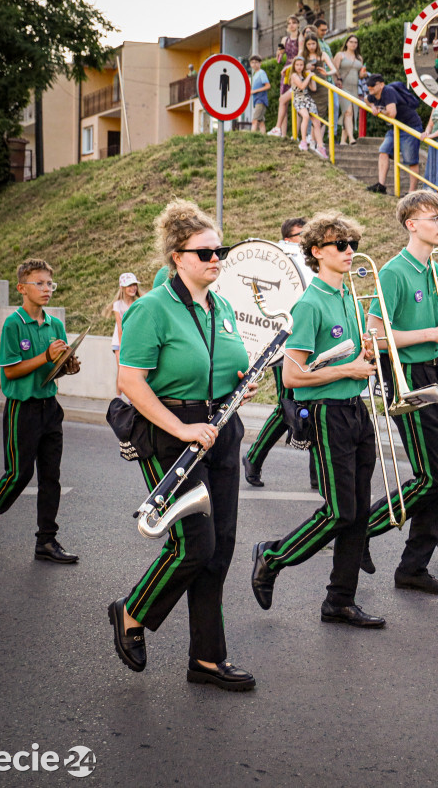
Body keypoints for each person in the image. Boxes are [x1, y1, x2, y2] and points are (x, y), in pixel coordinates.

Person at [109, 200, 256, 691]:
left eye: (222, 250)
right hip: (173, 433)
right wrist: (181, 427)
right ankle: (132, 612)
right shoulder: (151, 309)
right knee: (195, 544)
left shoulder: (223, 306)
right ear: (177, 256)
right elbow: (130, 381)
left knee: (222, 547)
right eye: (206, 252)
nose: (217, 258)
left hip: (221, 428)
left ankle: (208, 659)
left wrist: (240, 383)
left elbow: (223, 363)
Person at [250, 212, 385, 628]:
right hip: (326, 413)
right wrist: (347, 371)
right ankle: (273, 555)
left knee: (359, 512)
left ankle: (339, 601)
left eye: (351, 244)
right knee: (340, 511)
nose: (349, 252)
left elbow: (350, 357)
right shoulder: (309, 303)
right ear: (316, 252)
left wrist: (366, 354)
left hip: (356, 411)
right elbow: (292, 376)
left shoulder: (349, 297)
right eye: (339, 245)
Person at [360, 190, 438, 594]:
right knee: (428, 478)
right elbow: (374, 337)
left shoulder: (436, 270)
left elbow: (437, 326)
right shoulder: (393, 273)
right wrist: (430, 332)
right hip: (406, 374)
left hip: (434, 370)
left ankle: (413, 568)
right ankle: (361, 529)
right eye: (432, 217)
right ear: (410, 224)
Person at [0, 259, 79, 564]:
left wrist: (67, 367)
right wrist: (46, 355)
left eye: (50, 284)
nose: (46, 289)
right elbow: (12, 372)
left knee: (51, 477)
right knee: (19, 474)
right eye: (39, 283)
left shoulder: (55, 324)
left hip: (50, 408)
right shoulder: (13, 324)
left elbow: (51, 371)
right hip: (22, 409)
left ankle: (46, 541)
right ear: (22, 288)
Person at [242, 218, 307, 488]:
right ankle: (254, 457)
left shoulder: (306, 259)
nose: (306, 238)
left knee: (315, 402)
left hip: (311, 336)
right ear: (288, 238)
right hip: (286, 340)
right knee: (287, 405)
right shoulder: (284, 258)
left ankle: (319, 473)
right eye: (301, 234)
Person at [365, 74, 423, 195]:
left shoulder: (388, 92)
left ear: (381, 85)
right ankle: (381, 185)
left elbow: (392, 113)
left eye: (372, 86)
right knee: (383, 151)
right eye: (368, 86)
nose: (370, 88)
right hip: (395, 128)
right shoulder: (373, 94)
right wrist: (372, 106)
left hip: (409, 127)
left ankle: (411, 192)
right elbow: (366, 99)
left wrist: (381, 111)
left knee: (411, 160)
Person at [105, 271, 143, 399]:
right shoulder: (118, 304)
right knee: (121, 370)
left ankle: (133, 398)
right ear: (122, 288)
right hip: (119, 343)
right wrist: (123, 347)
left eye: (134, 285)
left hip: (134, 342)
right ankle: (118, 398)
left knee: (134, 372)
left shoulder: (138, 302)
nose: (133, 288)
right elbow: (120, 326)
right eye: (129, 285)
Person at [302, 35, 336, 159]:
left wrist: (326, 73)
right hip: (308, 86)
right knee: (311, 113)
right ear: (306, 45)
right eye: (309, 44)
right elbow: (296, 67)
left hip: (322, 86)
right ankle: (311, 141)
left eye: (313, 44)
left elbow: (334, 69)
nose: (311, 46)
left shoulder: (322, 55)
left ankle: (315, 142)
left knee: (320, 114)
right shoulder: (303, 56)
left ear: (317, 44)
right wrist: (306, 67)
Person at [268, 16, 302, 137]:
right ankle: (281, 133)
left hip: (297, 68)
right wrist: (279, 53)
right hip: (287, 69)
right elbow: (279, 57)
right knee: (284, 101)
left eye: (294, 23)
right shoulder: (284, 39)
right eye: (289, 23)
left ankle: (295, 133)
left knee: (297, 103)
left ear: (298, 24)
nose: (292, 25)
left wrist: (291, 66)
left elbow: (300, 54)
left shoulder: (300, 37)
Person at [334, 35, 363, 145]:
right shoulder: (340, 55)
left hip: (355, 88)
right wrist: (337, 80)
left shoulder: (359, 58)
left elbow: (360, 75)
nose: (353, 44)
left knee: (351, 113)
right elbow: (334, 69)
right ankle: (351, 138)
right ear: (346, 43)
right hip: (343, 86)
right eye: (351, 42)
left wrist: (363, 74)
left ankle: (342, 141)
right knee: (348, 111)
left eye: (355, 42)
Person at [249, 54, 270, 134]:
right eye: (252, 62)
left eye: (256, 62)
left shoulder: (261, 73)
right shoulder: (254, 75)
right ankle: (263, 137)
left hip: (261, 100)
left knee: (255, 121)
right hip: (257, 100)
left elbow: (268, 86)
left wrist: (254, 91)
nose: (254, 64)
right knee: (261, 122)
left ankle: (252, 137)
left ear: (260, 63)